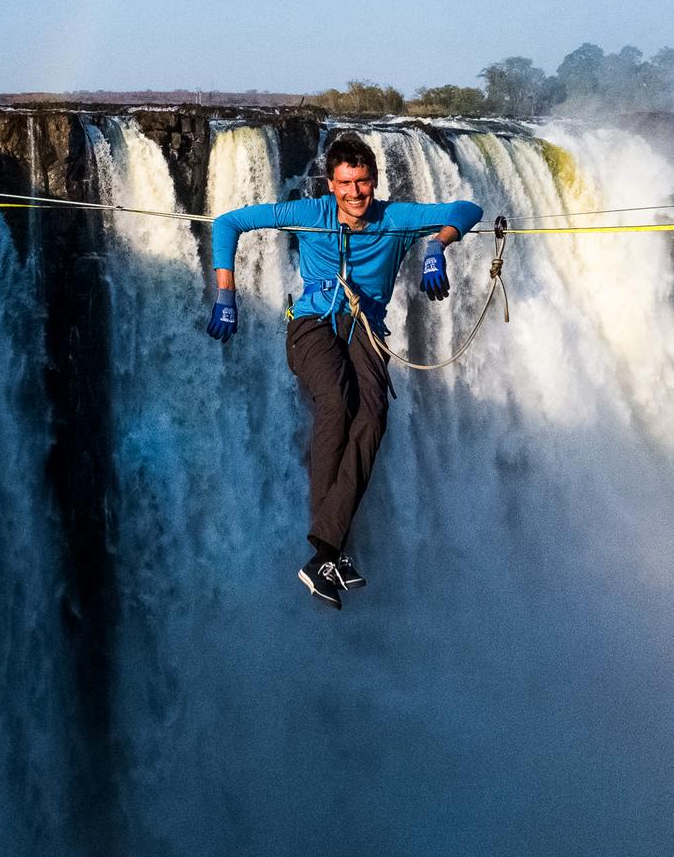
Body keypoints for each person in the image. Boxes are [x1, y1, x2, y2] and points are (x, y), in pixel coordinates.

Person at [205, 132, 482, 609]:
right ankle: (328, 550)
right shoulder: (309, 213)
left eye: (365, 183)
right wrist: (226, 294)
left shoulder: (394, 218)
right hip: (312, 323)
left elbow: (466, 209)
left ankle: (325, 553)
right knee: (336, 401)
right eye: (347, 183)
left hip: (366, 329)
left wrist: (437, 246)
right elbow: (228, 223)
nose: (356, 193)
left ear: (374, 182)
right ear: (331, 184)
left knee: (373, 416)